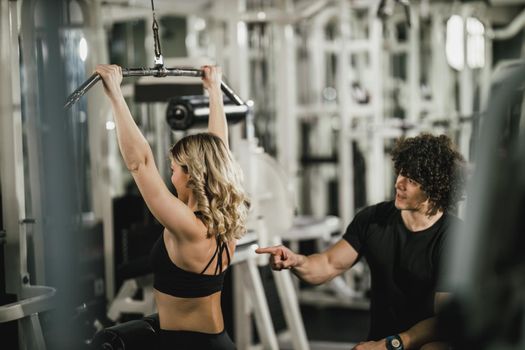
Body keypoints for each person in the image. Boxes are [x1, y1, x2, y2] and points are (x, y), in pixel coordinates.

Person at [257, 134, 467, 350]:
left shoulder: (454, 237)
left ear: (434, 189)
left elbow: (444, 321)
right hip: (378, 342)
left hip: (417, 342)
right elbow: (328, 264)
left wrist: (392, 344)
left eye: (412, 181)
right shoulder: (372, 219)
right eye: (402, 173)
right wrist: (297, 261)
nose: (399, 184)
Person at [96, 64, 249, 350]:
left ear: (192, 175)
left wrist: (115, 94)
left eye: (174, 168)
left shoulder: (188, 225)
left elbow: (139, 163)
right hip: (216, 341)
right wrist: (213, 90)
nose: (170, 175)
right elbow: (219, 150)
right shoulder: (225, 218)